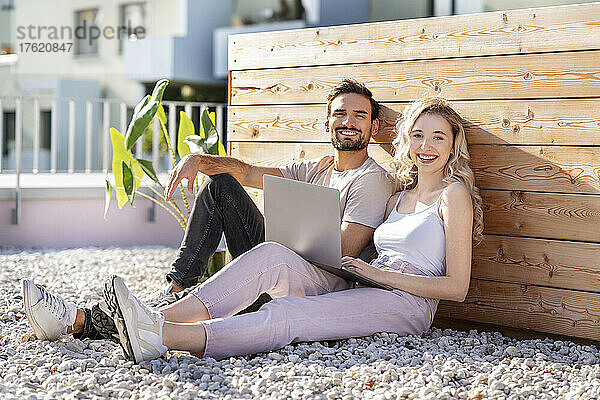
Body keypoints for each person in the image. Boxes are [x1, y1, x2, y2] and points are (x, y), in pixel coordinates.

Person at [99, 96, 485, 363]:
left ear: (453, 147)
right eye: (418, 135)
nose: (426, 146)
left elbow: (457, 288)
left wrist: (380, 274)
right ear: (406, 141)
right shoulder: (401, 195)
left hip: (408, 305)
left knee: (290, 313)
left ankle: (162, 337)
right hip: (368, 285)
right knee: (271, 254)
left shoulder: (454, 195)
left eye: (438, 137)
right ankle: (157, 317)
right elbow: (251, 175)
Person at [21, 79, 395, 343]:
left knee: (266, 254)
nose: (349, 122)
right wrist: (199, 159)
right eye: (341, 114)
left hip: (318, 286)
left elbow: (345, 253)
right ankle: (177, 287)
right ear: (327, 121)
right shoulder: (317, 167)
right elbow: (248, 173)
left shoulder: (372, 179)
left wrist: (286, 247)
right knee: (223, 186)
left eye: (359, 116)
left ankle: (82, 321)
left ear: (373, 126)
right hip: (275, 262)